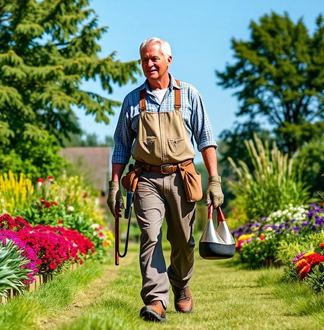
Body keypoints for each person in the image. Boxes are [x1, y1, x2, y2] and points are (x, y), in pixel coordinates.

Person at [108, 37, 224, 322]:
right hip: (145, 178)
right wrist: (114, 185)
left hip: (182, 178)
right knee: (150, 236)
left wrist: (215, 180)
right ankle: (156, 300)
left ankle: (181, 284)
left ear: (168, 60)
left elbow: (206, 140)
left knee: (183, 241)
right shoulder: (132, 100)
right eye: (144, 59)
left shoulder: (189, 94)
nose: (149, 64)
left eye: (154, 59)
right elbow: (121, 145)